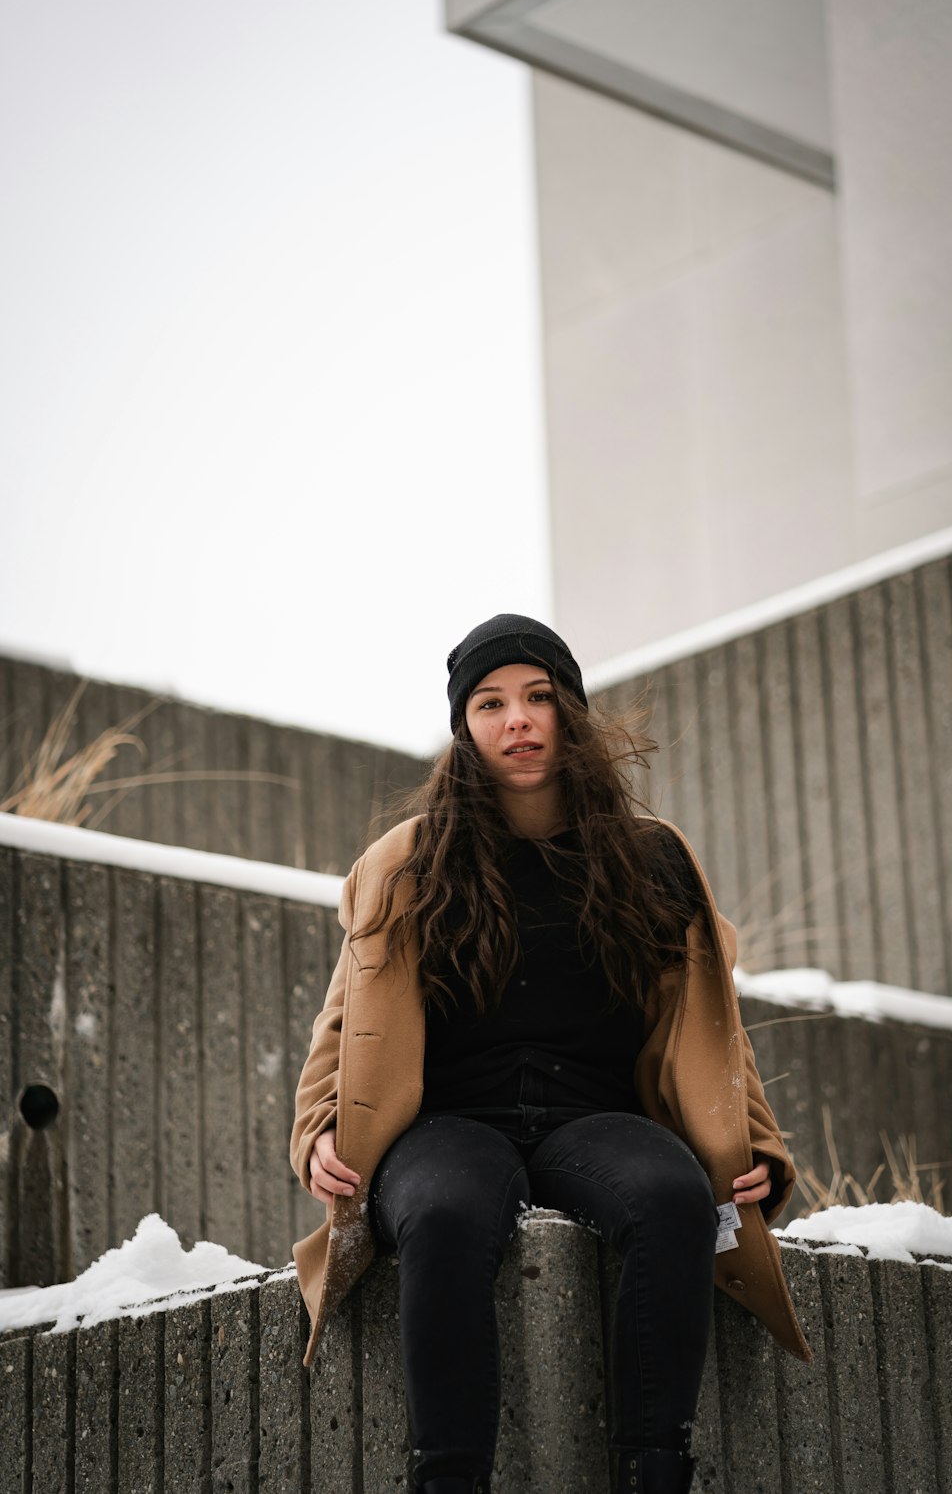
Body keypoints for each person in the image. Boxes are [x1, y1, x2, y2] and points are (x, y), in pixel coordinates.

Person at [290, 614, 809, 1494]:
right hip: (450, 1121)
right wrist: (314, 1131)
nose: (517, 720)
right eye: (490, 704)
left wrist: (756, 1145)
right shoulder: (409, 862)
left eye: (536, 697)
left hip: (594, 1117)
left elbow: (710, 1023)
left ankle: (655, 1471)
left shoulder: (651, 859)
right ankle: (450, 1479)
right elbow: (347, 1016)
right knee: (445, 1212)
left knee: (672, 1195)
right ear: (465, 729)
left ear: (569, 712)